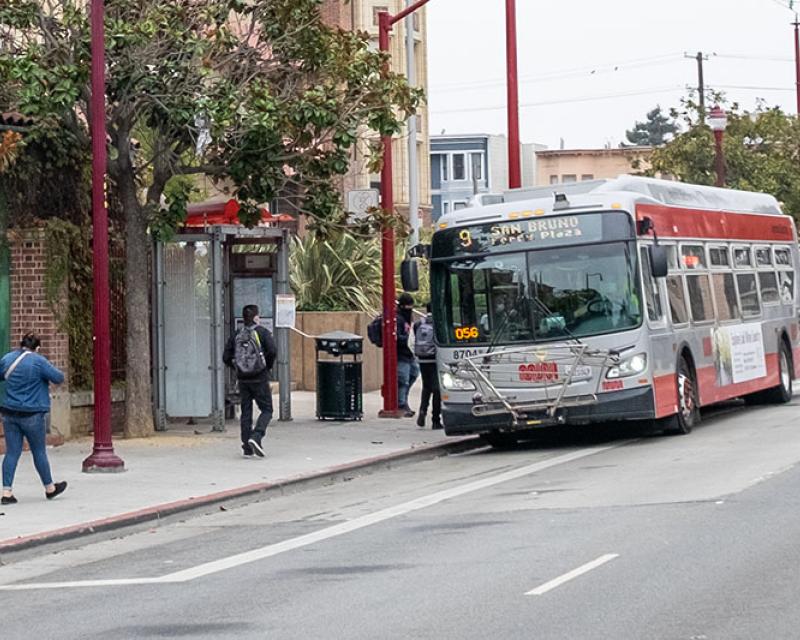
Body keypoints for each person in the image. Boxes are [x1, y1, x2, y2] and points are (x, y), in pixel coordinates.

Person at [1, 333, 68, 504]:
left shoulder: (8, 359)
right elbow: (58, 377)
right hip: (32, 414)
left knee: (12, 453)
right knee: (39, 451)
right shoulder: (39, 361)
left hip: (9, 413)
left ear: (21, 344)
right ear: (37, 347)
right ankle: (49, 488)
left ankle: (6, 492)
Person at [223, 305, 277, 458]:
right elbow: (272, 351)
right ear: (256, 317)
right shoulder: (263, 333)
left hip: (243, 379)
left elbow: (226, 357)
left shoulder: (236, 335)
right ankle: (257, 436)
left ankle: (247, 446)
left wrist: (238, 367)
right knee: (267, 410)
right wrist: (266, 366)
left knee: (246, 411)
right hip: (259, 377)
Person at [414, 303, 441, 429]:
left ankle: (422, 411)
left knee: (426, 387)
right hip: (435, 360)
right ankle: (436, 420)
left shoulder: (418, 323)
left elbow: (412, 341)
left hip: (422, 359)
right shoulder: (439, 323)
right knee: (437, 389)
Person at [396, 293, 419, 417]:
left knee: (414, 374)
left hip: (409, 354)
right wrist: (408, 339)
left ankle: (403, 400)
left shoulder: (407, 318)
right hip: (401, 354)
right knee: (403, 380)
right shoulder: (398, 319)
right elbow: (397, 337)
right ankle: (401, 403)